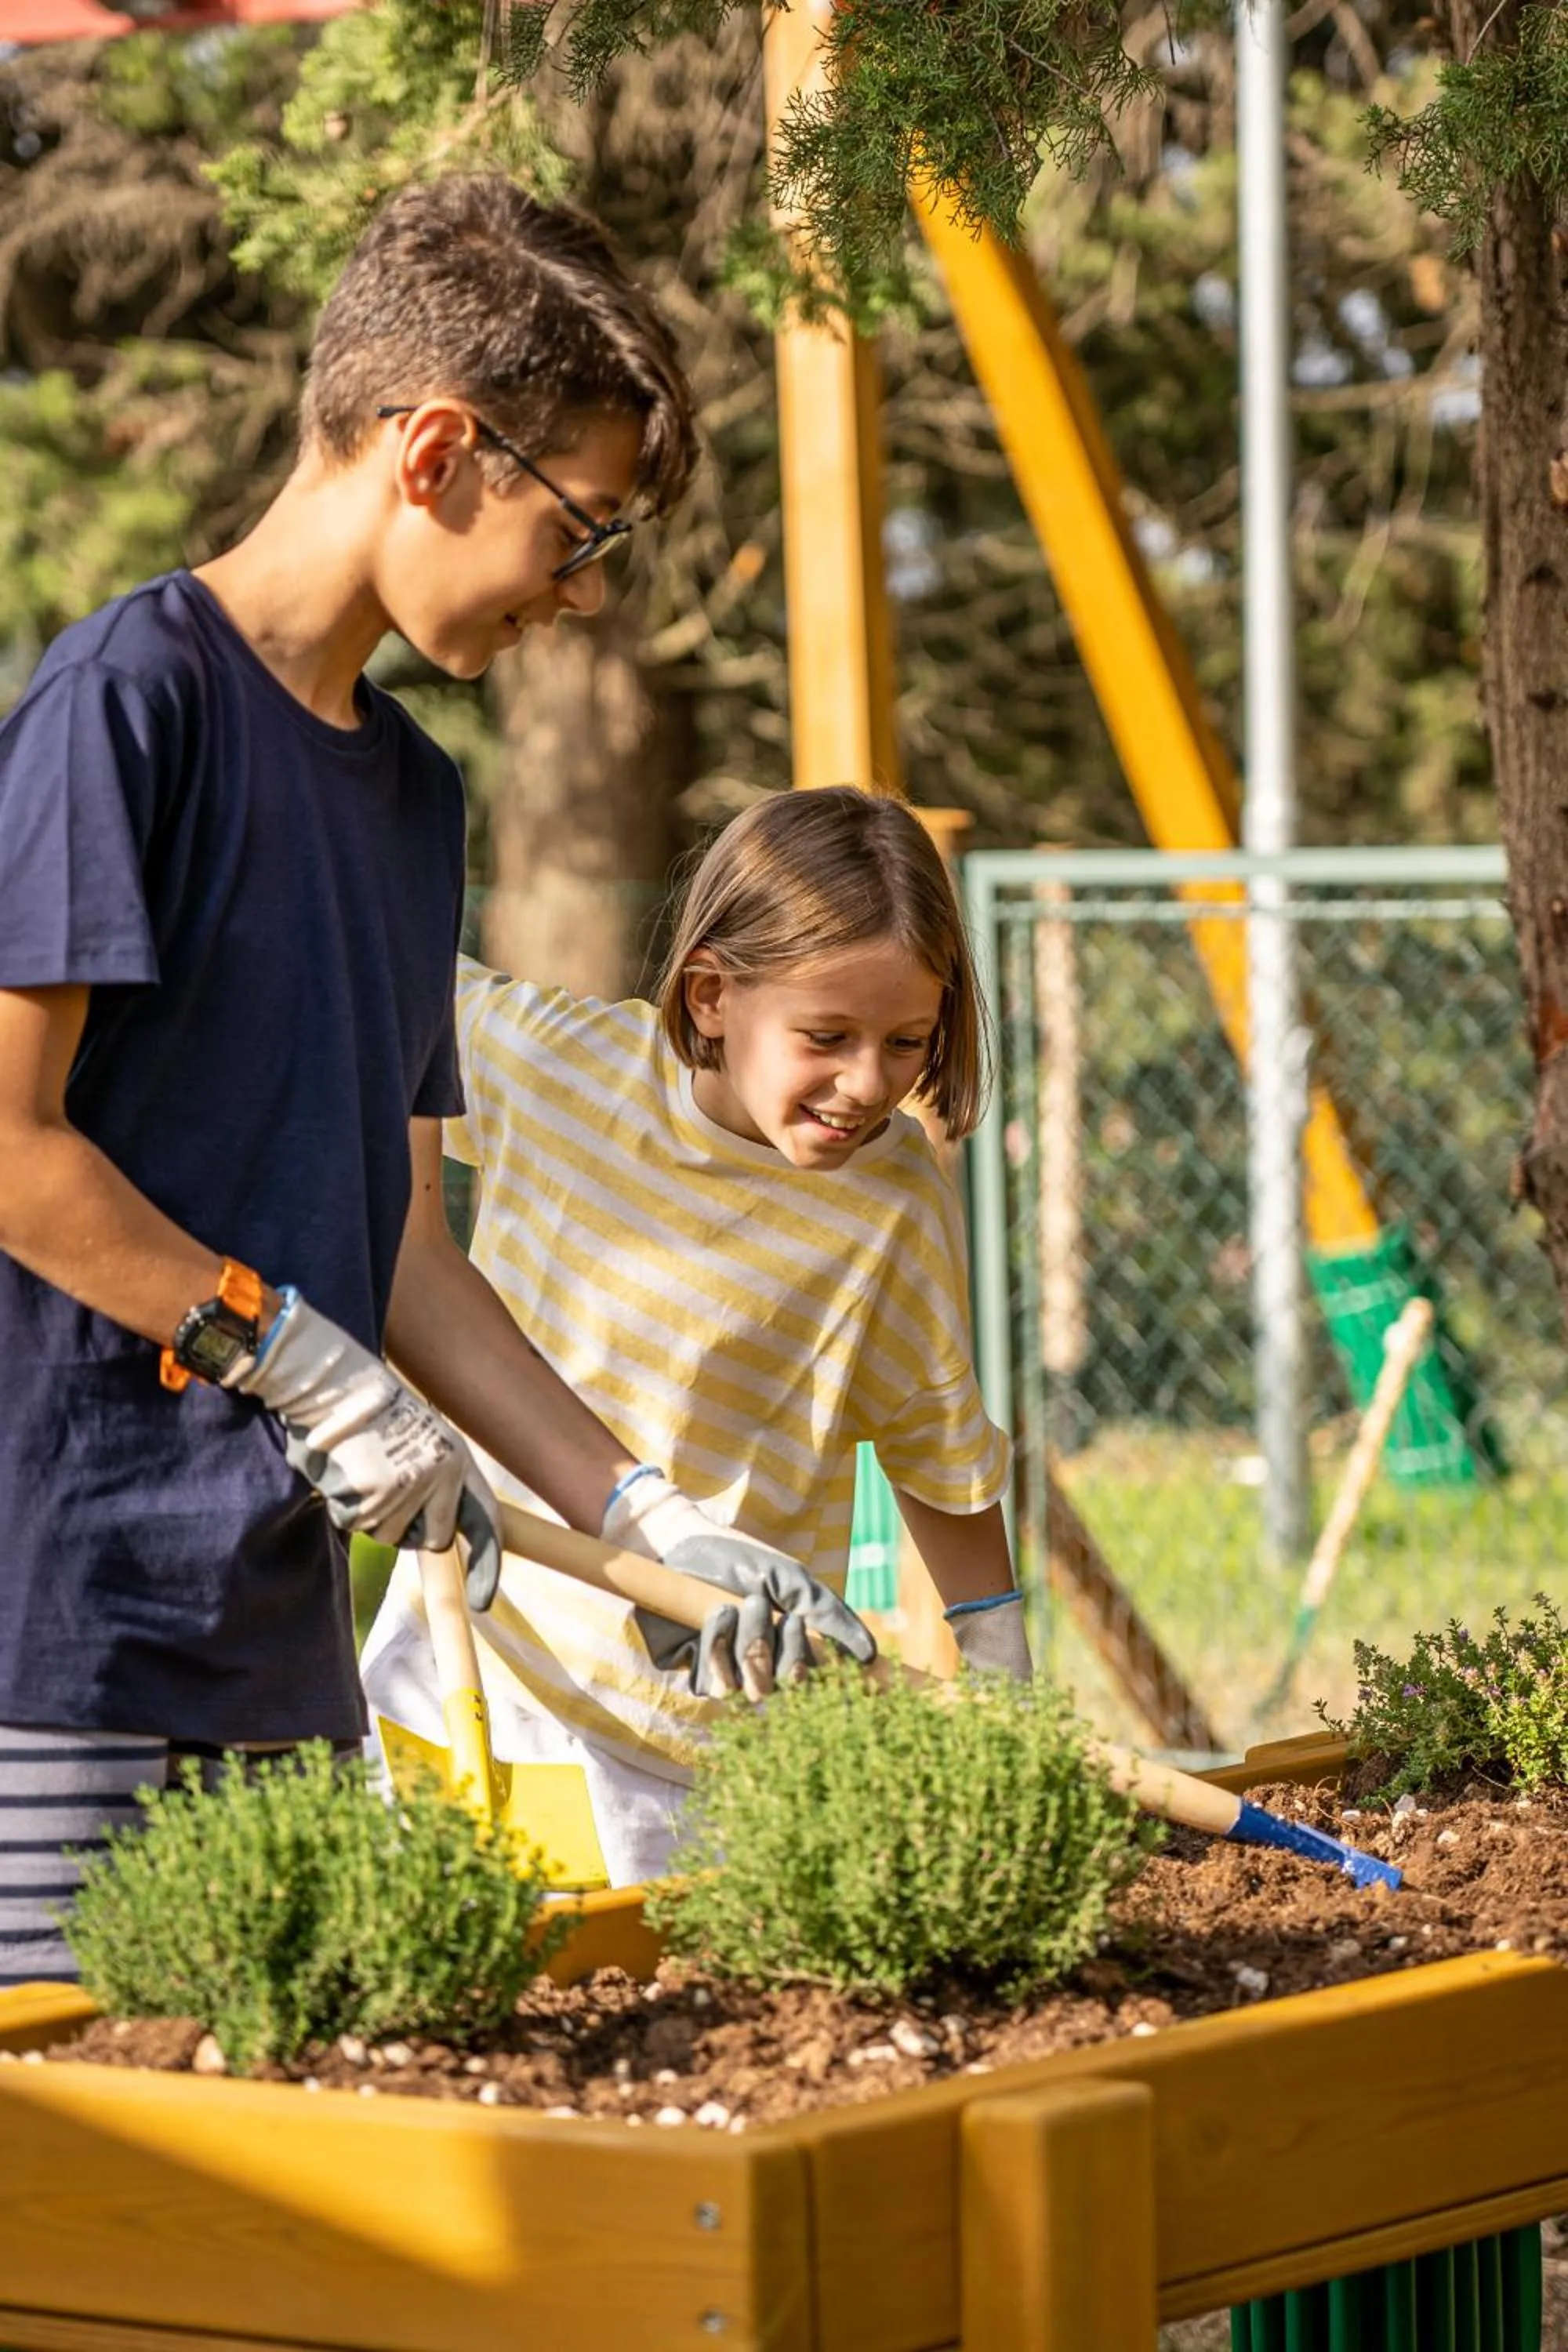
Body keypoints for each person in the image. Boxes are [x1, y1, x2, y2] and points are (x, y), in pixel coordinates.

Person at [0, 174, 869, 1987]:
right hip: (52, 1625)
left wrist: (646, 1509)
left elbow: (404, 1254)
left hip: (276, 1633)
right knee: (66, 2197)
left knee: (285, 2200)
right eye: (579, 530)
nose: (576, 593)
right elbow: (9, 1146)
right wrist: (284, 1351)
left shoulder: (412, 803)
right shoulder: (124, 709)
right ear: (439, 451)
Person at [362, 786, 1029, 1887]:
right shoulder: (563, 1069)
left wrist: (1008, 1696)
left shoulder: (891, 1198)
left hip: (705, 1739)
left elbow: (938, 1450)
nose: (868, 1084)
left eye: (908, 1041)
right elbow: (389, 991)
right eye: (828, 1036)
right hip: (475, 1664)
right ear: (712, 995)